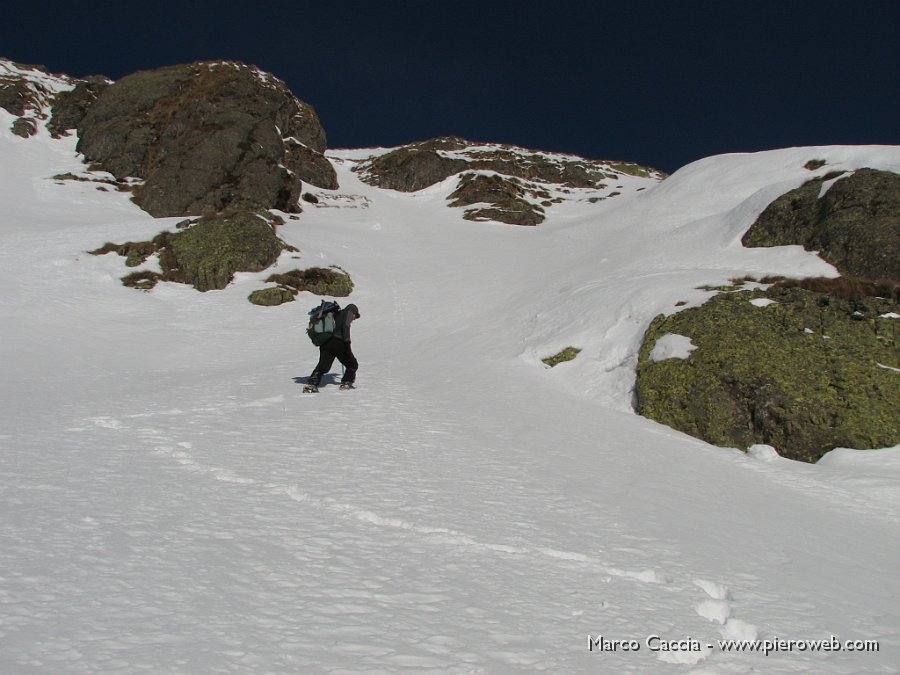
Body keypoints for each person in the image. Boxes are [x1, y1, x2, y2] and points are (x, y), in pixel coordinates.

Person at [304, 303, 360, 392]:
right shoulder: (349, 311)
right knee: (352, 364)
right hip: (338, 342)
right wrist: (347, 342)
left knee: (323, 366)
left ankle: (311, 384)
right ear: (353, 311)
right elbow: (345, 327)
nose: (354, 318)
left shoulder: (336, 314)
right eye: (355, 316)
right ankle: (346, 383)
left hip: (326, 341)